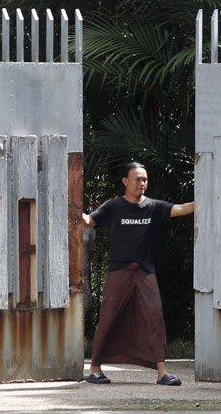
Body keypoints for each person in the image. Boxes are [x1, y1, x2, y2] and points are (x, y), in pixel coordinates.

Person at [81, 161, 196, 386]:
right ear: (125, 181)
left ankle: (162, 373)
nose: (142, 183)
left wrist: (203, 201)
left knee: (155, 318)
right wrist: (74, 209)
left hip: (145, 272)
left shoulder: (153, 206)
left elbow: (180, 209)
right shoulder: (113, 207)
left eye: (145, 179)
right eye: (137, 179)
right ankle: (95, 368)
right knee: (108, 318)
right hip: (119, 271)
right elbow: (90, 220)